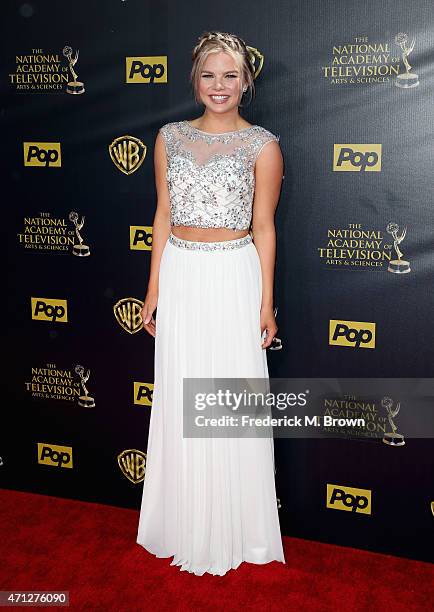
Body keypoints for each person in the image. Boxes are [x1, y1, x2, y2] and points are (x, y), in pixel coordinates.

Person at [136, 30, 286, 576]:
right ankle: (181, 522)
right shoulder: (169, 137)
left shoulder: (262, 145)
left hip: (232, 274)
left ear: (246, 81)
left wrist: (266, 303)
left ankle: (234, 527)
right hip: (181, 273)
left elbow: (265, 227)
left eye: (230, 75)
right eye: (208, 74)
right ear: (194, 80)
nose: (218, 85)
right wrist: (154, 287)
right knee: (180, 392)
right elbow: (161, 215)